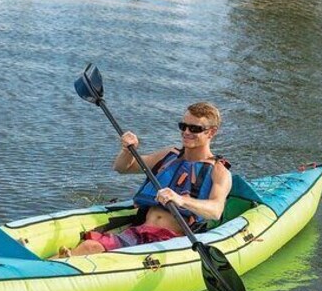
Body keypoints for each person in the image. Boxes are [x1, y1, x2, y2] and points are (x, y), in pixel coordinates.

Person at [59, 102, 232, 257]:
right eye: (183, 126)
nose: (186, 132)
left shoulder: (218, 171)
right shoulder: (169, 156)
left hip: (170, 242)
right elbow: (123, 168)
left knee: (90, 249)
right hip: (140, 233)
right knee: (89, 247)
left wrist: (180, 200)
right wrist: (127, 151)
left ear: (211, 132)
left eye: (194, 129)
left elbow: (215, 210)